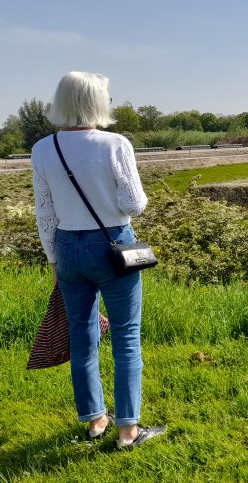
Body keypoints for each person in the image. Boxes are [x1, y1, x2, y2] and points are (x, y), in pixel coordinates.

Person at [31, 71, 165, 449]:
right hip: (112, 246)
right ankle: (128, 430)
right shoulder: (115, 144)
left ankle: (95, 420)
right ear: (96, 102)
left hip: (67, 247)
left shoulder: (43, 149)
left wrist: (53, 260)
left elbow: (45, 212)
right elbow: (133, 204)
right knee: (125, 335)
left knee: (82, 335)